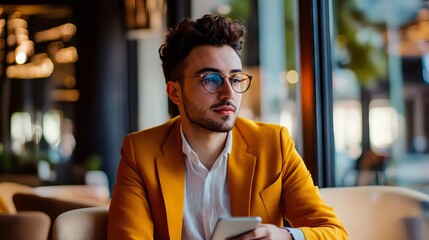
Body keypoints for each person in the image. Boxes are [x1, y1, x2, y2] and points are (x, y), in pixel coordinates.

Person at [108, 14, 347, 240]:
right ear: (174, 92)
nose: (229, 93)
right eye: (211, 79)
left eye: (235, 79)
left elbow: (332, 231)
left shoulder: (274, 144)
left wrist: (285, 235)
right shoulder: (140, 152)